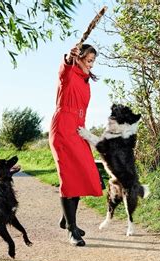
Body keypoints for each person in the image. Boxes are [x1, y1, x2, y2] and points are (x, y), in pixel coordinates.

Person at [49, 44, 103, 247]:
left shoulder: (85, 80)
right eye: (88, 60)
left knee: (83, 173)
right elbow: (63, 68)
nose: (91, 64)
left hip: (78, 130)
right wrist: (68, 57)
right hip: (63, 129)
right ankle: (72, 229)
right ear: (78, 58)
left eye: (93, 61)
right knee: (69, 178)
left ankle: (66, 219)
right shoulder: (69, 73)